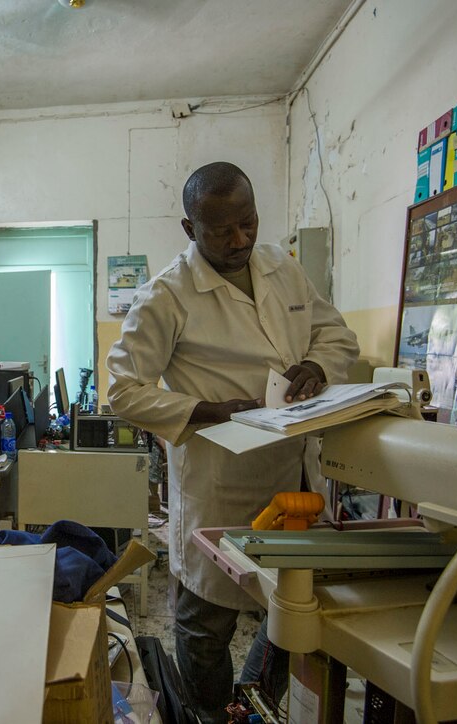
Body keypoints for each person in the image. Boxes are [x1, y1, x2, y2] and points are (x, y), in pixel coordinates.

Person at [106, 162, 358, 721]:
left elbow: (334, 332)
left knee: (289, 605)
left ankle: (249, 703)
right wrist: (205, 410)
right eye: (222, 231)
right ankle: (208, 715)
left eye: (248, 223)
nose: (240, 240)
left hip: (294, 475)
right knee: (206, 622)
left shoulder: (281, 266)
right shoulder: (166, 296)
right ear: (189, 228)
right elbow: (122, 390)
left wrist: (317, 363)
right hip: (220, 485)